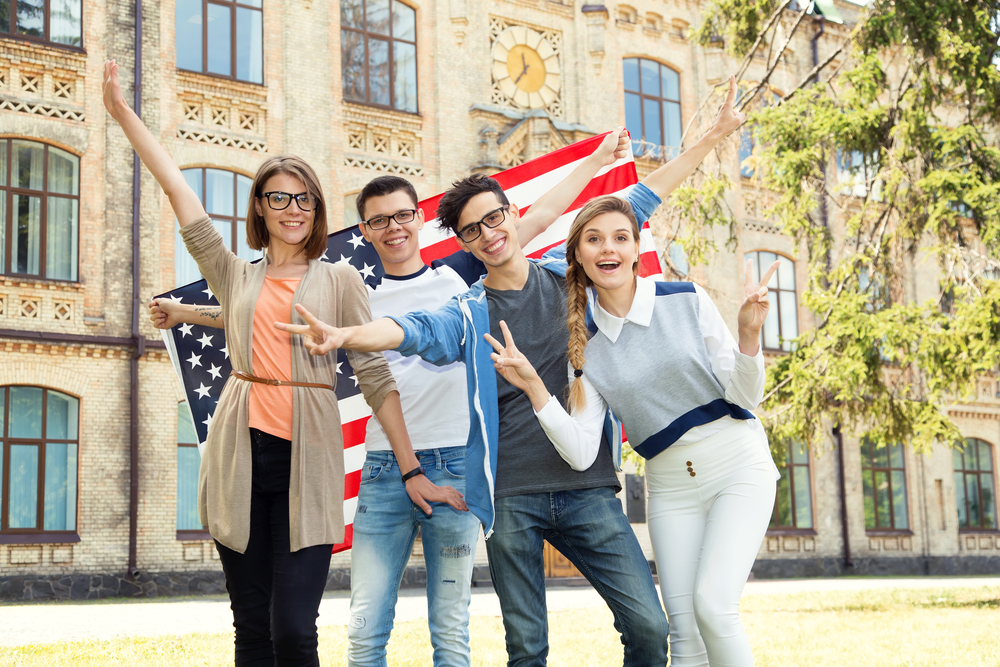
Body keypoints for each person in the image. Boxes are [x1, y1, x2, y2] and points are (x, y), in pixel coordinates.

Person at [274, 75, 746, 667]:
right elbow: (413, 332)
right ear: (465, 242)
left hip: (589, 488)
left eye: (495, 219)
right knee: (527, 649)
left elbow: (641, 200)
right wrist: (346, 334)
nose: (489, 234)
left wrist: (712, 139)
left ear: (511, 215)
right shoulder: (467, 310)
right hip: (512, 496)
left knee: (650, 628)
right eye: (473, 230)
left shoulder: (570, 276)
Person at [149, 131, 633, 667]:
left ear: (419, 220)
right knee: (363, 630)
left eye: (403, 214)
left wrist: (594, 160)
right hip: (385, 471)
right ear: (366, 230)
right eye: (379, 220)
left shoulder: (460, 276)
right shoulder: (356, 289)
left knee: (450, 631)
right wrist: (187, 312)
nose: (393, 226)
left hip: (452, 465)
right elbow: (269, 315)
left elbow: (537, 216)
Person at [101, 59, 466, 667]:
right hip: (239, 454)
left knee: (294, 628)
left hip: (309, 460)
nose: (292, 209)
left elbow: (376, 378)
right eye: (278, 198)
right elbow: (178, 190)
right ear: (261, 208)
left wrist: (410, 472)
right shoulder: (232, 273)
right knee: (250, 627)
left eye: (303, 199)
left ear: (316, 208)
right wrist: (121, 113)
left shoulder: (341, 278)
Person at [484, 192, 781, 667]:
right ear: (577, 255)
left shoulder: (686, 299)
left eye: (621, 238)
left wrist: (748, 337)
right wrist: (538, 389)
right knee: (681, 632)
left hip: (736, 465)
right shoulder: (584, 346)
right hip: (669, 485)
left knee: (713, 608)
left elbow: (746, 399)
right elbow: (582, 452)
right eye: (595, 239)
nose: (609, 250)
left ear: (637, 248)